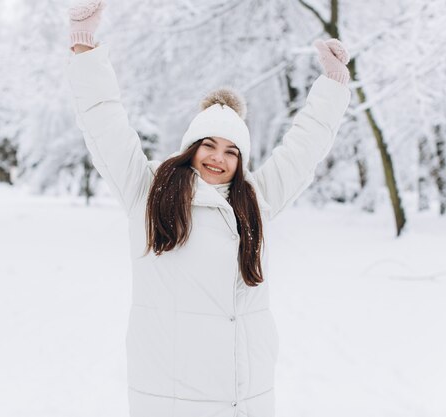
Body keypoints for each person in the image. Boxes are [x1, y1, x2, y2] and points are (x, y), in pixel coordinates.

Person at [66, 2, 351, 416]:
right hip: (172, 397)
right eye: (209, 145)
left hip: (244, 398)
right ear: (191, 148)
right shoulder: (148, 192)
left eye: (231, 151)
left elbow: (303, 149)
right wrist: (83, 45)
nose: (218, 158)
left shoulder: (255, 200)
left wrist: (333, 86)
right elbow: (105, 123)